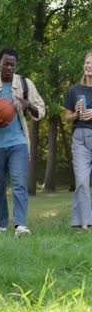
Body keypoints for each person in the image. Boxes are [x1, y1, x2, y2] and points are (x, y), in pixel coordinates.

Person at [0, 48, 45, 236]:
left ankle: (20, 225)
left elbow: (41, 110)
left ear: (16, 66)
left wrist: (27, 104)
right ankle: (2, 225)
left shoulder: (25, 84)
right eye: (5, 63)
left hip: (18, 143)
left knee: (19, 183)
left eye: (12, 65)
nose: (9, 67)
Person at [64, 52, 92, 231]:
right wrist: (76, 113)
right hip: (80, 136)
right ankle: (84, 223)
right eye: (87, 62)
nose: (89, 66)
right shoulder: (74, 90)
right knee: (81, 181)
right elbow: (67, 118)